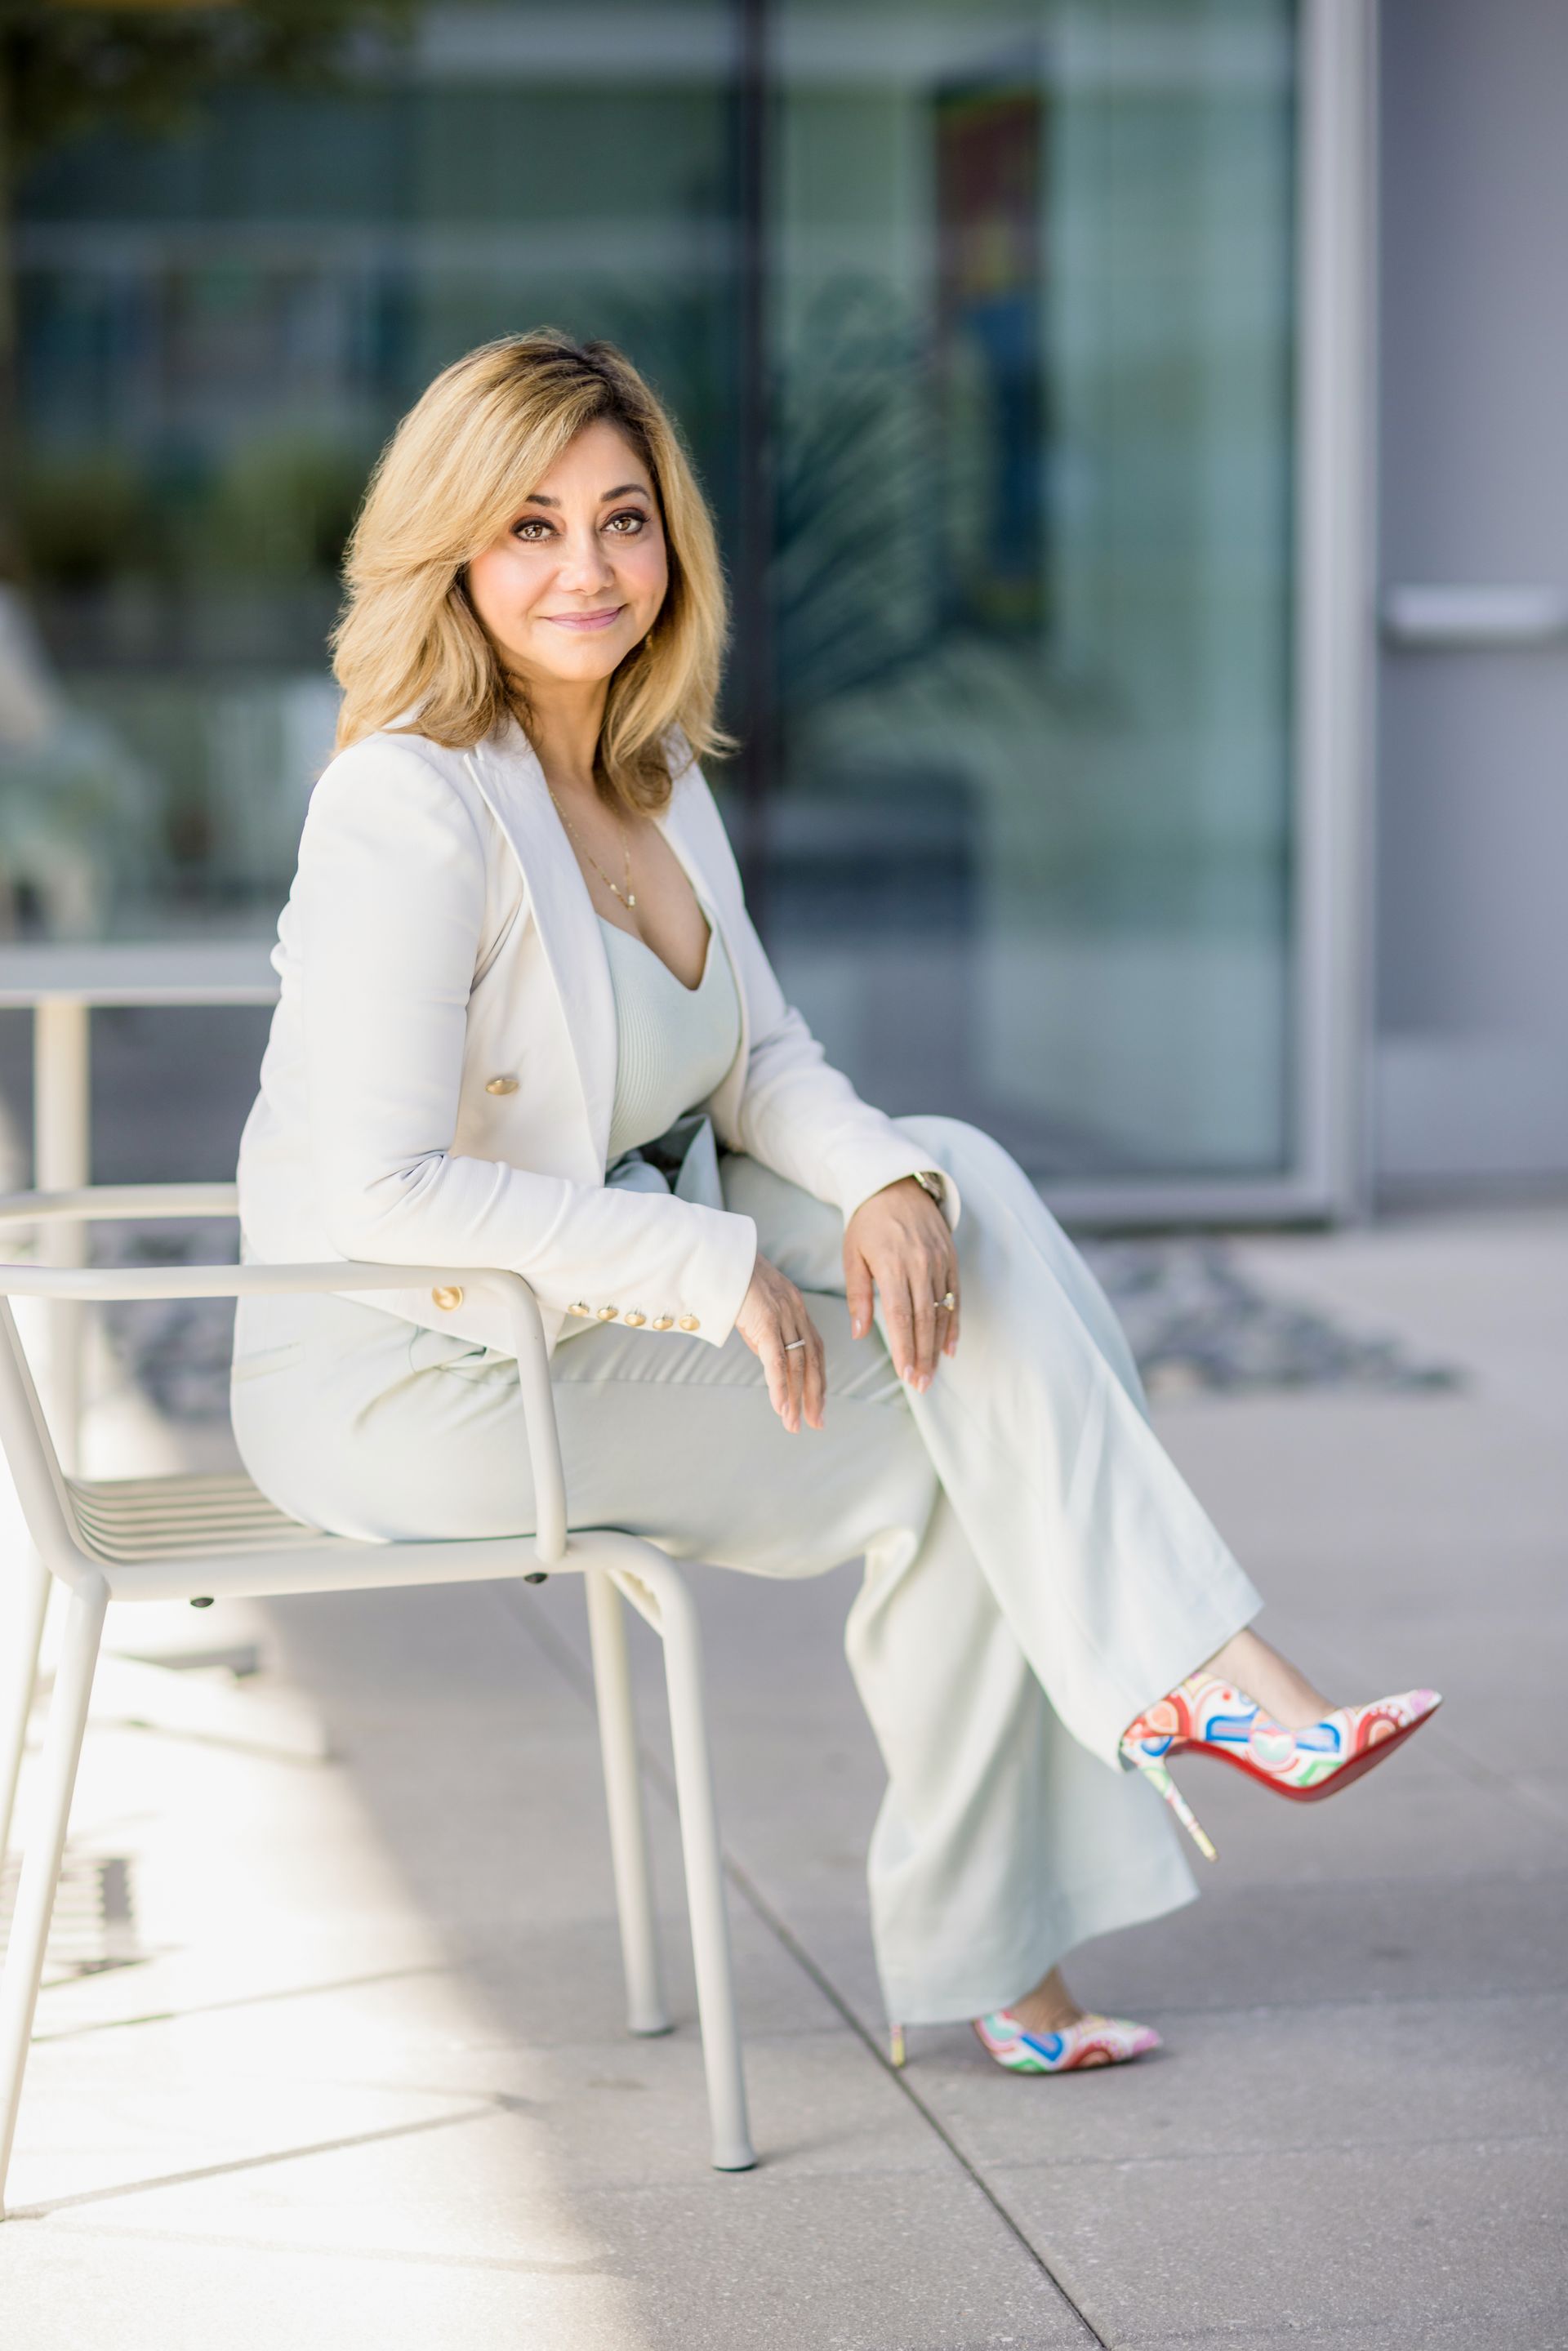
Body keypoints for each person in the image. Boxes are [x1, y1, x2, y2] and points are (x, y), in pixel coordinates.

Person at [230, 331, 1438, 2077]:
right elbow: (381, 1187)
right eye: (531, 526)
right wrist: (710, 1260)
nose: (587, 568)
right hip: (407, 1374)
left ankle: (1187, 1711)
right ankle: (1101, 1841)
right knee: (968, 1441)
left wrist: (876, 1180)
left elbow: (759, 1057)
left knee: (961, 1189)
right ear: (453, 554)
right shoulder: (408, 800)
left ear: (673, 545)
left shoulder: (652, 776)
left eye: (624, 519)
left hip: (567, 1295)